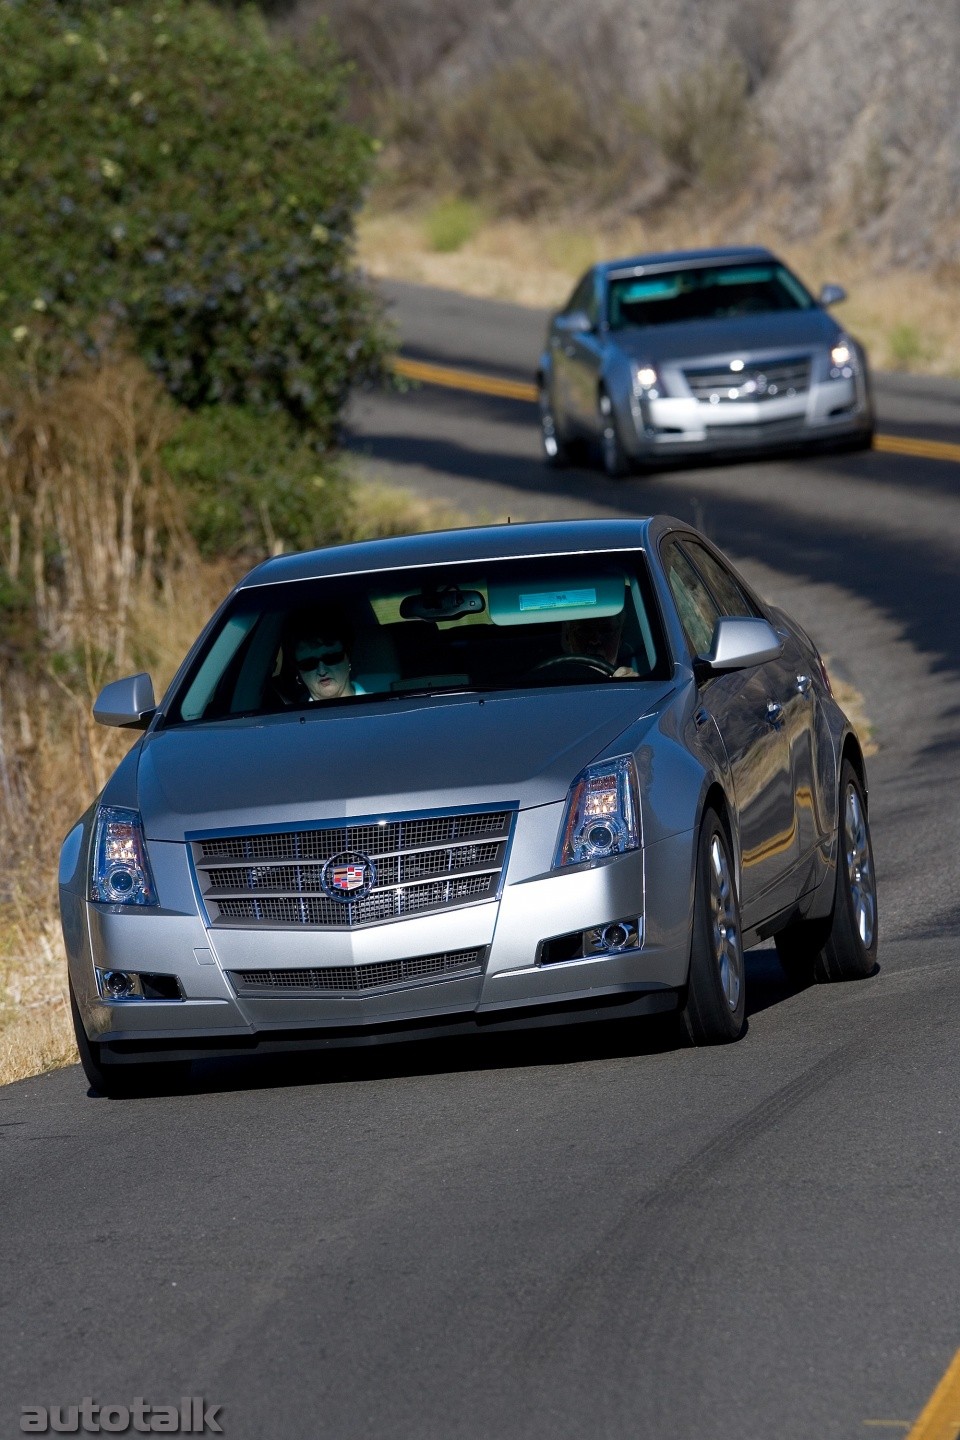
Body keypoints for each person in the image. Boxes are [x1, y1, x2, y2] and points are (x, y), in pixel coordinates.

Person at [283, 612, 363, 702]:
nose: (322, 671)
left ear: (348, 657)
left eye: (331, 658)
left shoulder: (381, 702)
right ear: (298, 673)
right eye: (309, 664)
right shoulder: (292, 715)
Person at [560, 612, 637, 678]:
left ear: (620, 637)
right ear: (568, 637)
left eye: (606, 630)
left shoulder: (627, 685)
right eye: (584, 630)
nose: (595, 641)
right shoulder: (553, 683)